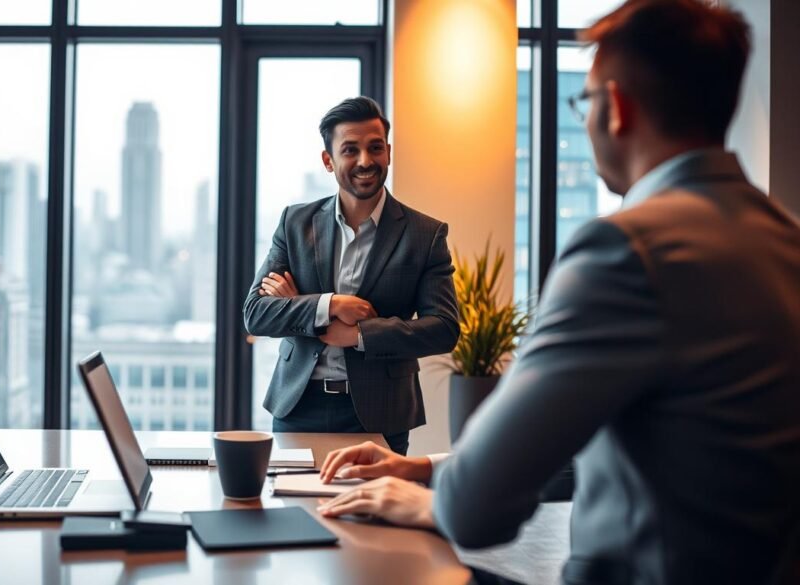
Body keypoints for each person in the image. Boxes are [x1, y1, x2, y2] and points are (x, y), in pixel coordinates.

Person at [315, 1, 800, 583]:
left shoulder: (624, 251)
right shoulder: (785, 241)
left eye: (586, 99)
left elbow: (476, 511)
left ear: (616, 108)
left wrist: (431, 501)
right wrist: (420, 468)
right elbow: (607, 450)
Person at [243, 96, 459, 455]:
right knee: (296, 509)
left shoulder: (425, 234)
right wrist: (329, 305)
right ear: (328, 161)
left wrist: (358, 335)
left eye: (375, 148)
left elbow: (444, 328)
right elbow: (256, 314)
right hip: (298, 406)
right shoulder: (295, 223)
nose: (365, 161)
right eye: (350, 150)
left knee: (370, 511)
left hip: (381, 413)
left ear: (388, 152)